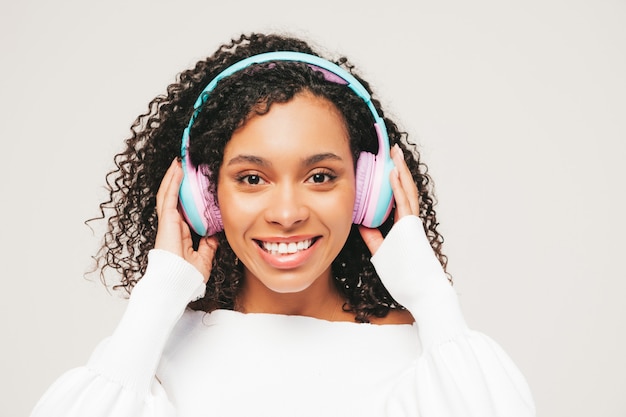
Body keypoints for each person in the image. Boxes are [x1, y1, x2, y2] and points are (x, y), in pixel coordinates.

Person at [30, 33, 535, 416]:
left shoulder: (425, 355)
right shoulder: (150, 355)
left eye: (320, 176)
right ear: (205, 194)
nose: (288, 212)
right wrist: (159, 296)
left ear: (366, 190)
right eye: (252, 178)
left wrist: (431, 295)